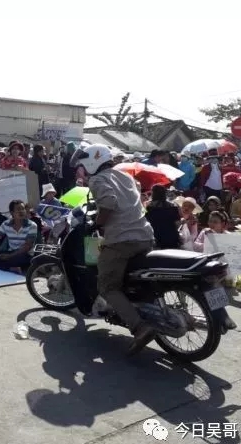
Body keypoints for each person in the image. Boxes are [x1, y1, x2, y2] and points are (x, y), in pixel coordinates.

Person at [76, 143, 156, 355]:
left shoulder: (97, 180)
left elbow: (109, 203)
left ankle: (139, 327)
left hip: (121, 240)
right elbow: (132, 198)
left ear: (92, 161)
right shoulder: (126, 176)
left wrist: (97, 224)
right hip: (145, 236)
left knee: (107, 286)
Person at [0, 199, 38, 274]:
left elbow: (27, 247)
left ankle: (9, 266)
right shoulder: (6, 224)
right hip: (11, 252)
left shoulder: (32, 225)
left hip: (25, 254)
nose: (21, 211)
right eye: (18, 209)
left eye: (23, 209)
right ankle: (12, 268)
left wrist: (9, 256)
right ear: (12, 212)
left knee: (17, 259)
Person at [144, 184, 181, 249]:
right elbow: (177, 224)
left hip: (154, 238)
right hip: (170, 238)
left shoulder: (147, 206)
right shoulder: (173, 206)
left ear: (153, 193)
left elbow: (143, 220)